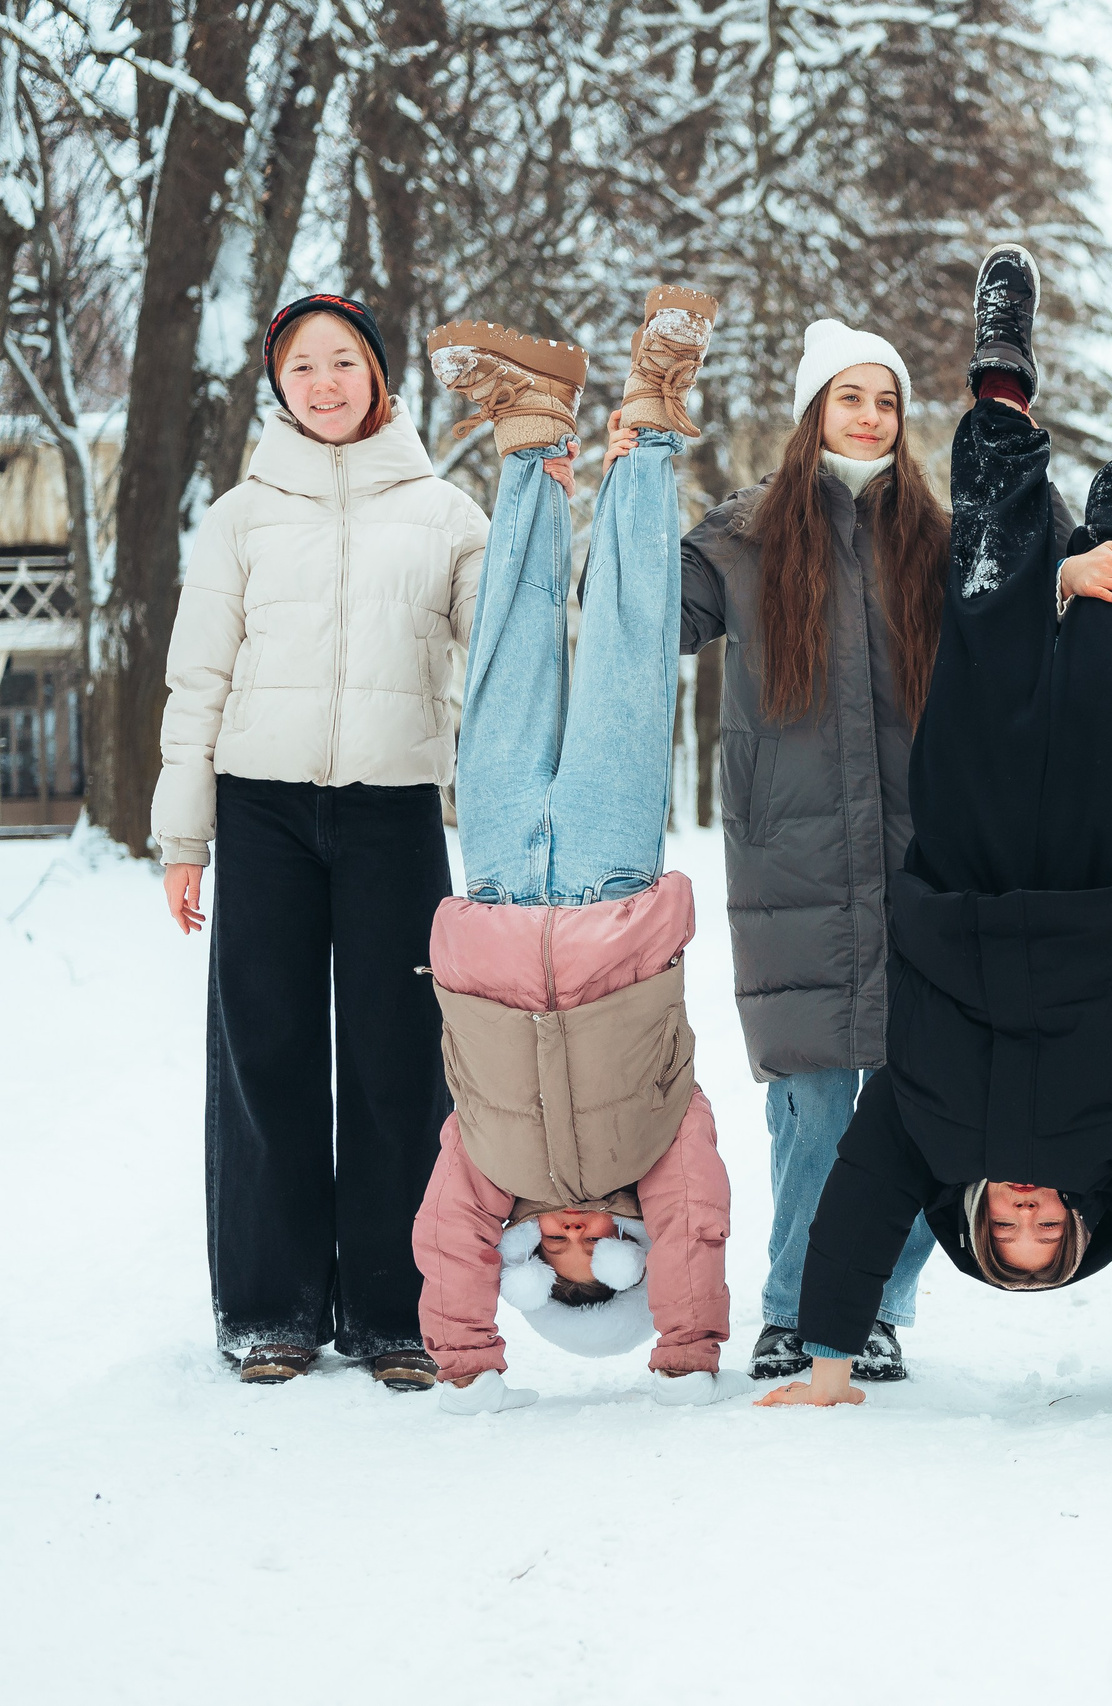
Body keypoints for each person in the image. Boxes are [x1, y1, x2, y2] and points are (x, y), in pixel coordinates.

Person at [759, 248, 1112, 1417]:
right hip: (1110, 851)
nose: (1027, 1208)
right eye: (1047, 1227)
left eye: (1008, 1226)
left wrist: (828, 1363)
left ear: (975, 1209)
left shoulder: (926, 1128)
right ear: (1079, 1215)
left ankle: (1000, 378)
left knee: (987, 603)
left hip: (968, 850)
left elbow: (858, 1204)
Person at [403, 288, 748, 1413]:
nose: (576, 1234)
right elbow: (698, 1221)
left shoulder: (488, 1167)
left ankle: (532, 432)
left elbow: (444, 1238)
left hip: (497, 886)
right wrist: (686, 1344)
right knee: (625, 647)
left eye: (557, 1260)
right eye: (605, 1251)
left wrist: (466, 1359)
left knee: (502, 653)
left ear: (524, 1257)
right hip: (611, 886)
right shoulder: (660, 1147)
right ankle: (651, 418)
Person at [151, 294, 488, 1389]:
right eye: (304, 366)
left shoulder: (447, 513)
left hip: (394, 806)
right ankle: (270, 1305)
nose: (326, 381)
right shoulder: (241, 517)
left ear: (381, 381)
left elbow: (512, 641)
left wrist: (539, 508)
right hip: (263, 808)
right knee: (268, 1052)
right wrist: (182, 833)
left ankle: (397, 1309)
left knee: (399, 1059)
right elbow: (198, 676)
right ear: (279, 386)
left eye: (345, 362)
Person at [681, 319, 950, 1384]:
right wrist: (624, 484)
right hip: (789, 861)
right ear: (811, 409)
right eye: (848, 396)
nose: (868, 416)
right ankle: (793, 1308)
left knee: (921, 1093)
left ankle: (877, 1303)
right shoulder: (744, 536)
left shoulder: (933, 531)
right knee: (809, 1097)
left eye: (884, 399)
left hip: (919, 856)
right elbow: (649, 616)